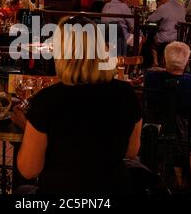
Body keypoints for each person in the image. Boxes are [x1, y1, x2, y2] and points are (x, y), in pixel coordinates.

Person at [13, 16, 142, 193]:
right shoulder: (126, 93)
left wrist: (28, 127)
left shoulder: (47, 100)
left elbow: (29, 170)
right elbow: (131, 151)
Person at [144, 42, 191, 143]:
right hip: (185, 134)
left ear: (163, 59)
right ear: (187, 62)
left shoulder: (151, 78)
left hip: (154, 133)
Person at [148, 0, 186, 67]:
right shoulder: (181, 6)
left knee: (151, 40)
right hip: (179, 37)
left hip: (166, 38)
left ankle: (155, 62)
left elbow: (151, 19)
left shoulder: (164, 7)